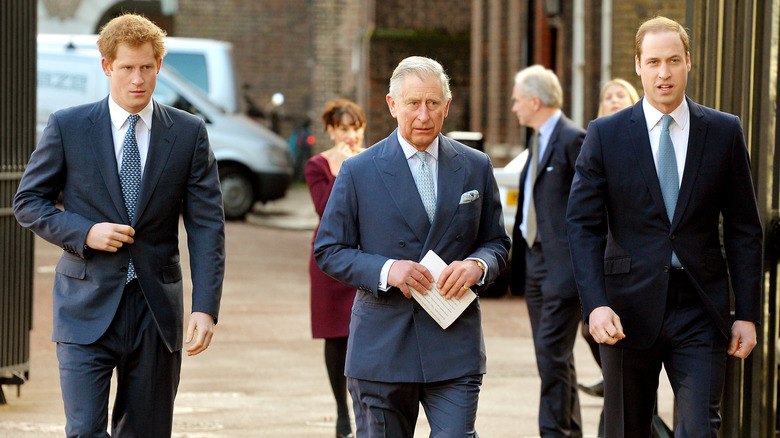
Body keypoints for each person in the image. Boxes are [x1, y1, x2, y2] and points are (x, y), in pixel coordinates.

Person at [14, 13, 225, 437]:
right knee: (84, 431)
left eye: (147, 67)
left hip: (155, 311)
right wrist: (84, 232)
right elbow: (28, 203)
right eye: (127, 67)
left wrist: (205, 306)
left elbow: (206, 226)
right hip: (84, 305)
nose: (137, 79)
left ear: (159, 66)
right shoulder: (68, 126)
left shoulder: (187, 133)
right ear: (107, 66)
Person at [566, 16, 762, 437]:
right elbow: (581, 226)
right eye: (653, 61)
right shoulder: (606, 134)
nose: (664, 72)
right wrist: (595, 304)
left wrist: (746, 313)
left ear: (689, 62)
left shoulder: (725, 131)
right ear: (638, 65)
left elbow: (746, 228)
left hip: (701, 307)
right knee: (626, 429)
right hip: (625, 311)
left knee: (700, 428)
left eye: (673, 60)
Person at [314, 56, 510, 437]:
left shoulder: (475, 166)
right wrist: (388, 270)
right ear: (392, 105)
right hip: (383, 347)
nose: (424, 114)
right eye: (413, 103)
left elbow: (497, 242)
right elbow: (329, 249)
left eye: (433, 103)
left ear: (447, 106)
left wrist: (478, 266)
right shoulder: (359, 170)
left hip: (455, 343)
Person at [508, 64, 586, 437]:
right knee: (554, 358)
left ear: (535, 101)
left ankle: (554, 433)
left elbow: (593, 206)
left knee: (552, 358)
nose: (514, 107)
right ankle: (568, 431)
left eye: (517, 99)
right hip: (535, 263)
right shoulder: (537, 138)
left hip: (562, 268)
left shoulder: (574, 139)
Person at [305, 99, 366, 438]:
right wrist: (343, 167)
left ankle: (365, 408)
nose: (350, 135)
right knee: (335, 337)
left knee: (365, 334)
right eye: (343, 128)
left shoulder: (374, 159)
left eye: (355, 127)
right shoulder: (318, 165)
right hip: (330, 261)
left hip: (367, 257)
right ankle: (342, 413)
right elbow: (323, 208)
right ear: (330, 130)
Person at [578, 78, 641, 399]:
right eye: (608, 96)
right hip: (602, 257)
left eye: (621, 95)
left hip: (635, 262)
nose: (614, 100)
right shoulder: (597, 139)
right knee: (594, 331)